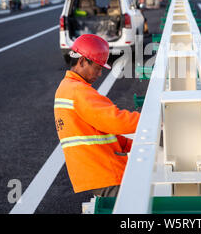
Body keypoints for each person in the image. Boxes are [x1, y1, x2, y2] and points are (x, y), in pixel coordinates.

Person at [54, 34, 140, 197]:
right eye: (98, 68)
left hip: (95, 173)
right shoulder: (78, 91)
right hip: (106, 172)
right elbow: (115, 120)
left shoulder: (66, 88)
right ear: (81, 62)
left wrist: (134, 144)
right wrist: (150, 120)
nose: (100, 74)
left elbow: (100, 132)